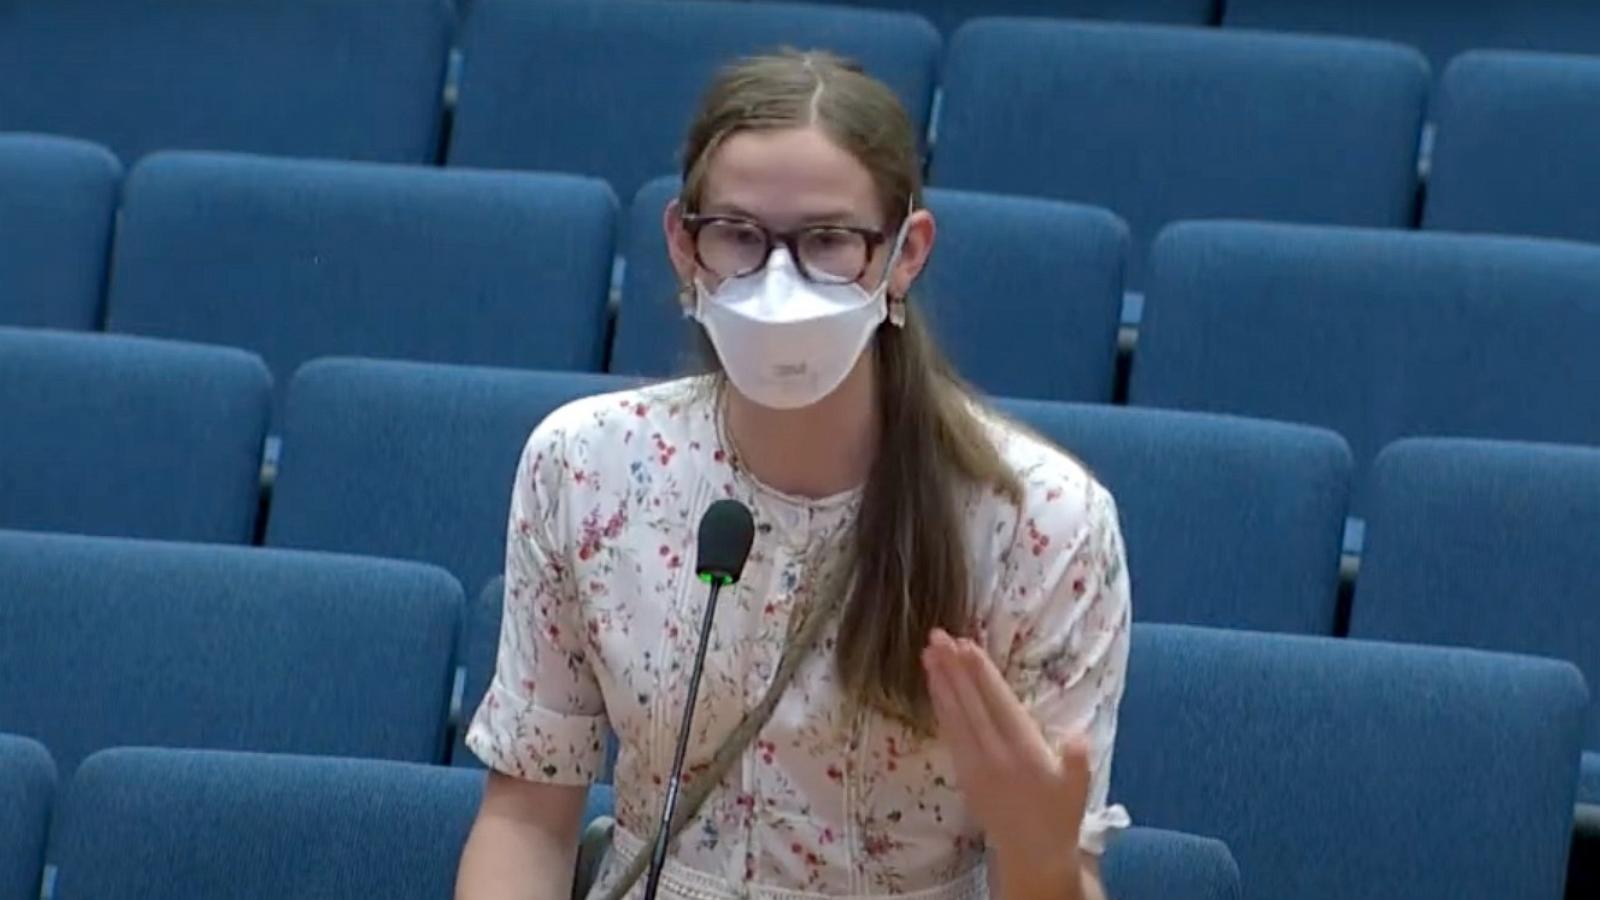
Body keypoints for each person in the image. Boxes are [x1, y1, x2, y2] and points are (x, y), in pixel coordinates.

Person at [454, 50, 1131, 900]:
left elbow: (1056, 880)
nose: (779, 281)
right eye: (738, 234)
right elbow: (526, 818)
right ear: (682, 243)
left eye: (828, 241)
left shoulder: (1044, 522)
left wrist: (1039, 856)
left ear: (905, 254)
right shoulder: (583, 466)